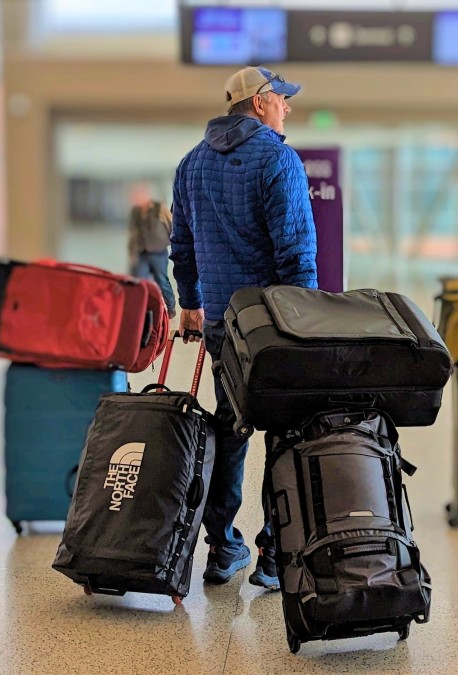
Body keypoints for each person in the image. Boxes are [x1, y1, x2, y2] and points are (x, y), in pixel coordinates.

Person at [169, 66, 316, 591]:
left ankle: (222, 546)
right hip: (273, 326)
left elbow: (182, 248)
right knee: (284, 433)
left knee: (231, 427)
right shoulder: (278, 158)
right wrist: (306, 322)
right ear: (259, 103)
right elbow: (296, 251)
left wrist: (190, 304)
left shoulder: (191, 163)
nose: (287, 108)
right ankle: (275, 554)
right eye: (281, 99)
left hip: (220, 322)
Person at [128, 187, 176, 318]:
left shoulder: (159, 208)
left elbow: (172, 226)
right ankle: (141, 311)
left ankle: (171, 308)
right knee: (139, 282)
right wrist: (132, 252)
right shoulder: (136, 212)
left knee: (162, 282)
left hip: (158, 253)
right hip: (142, 252)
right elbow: (133, 233)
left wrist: (175, 245)